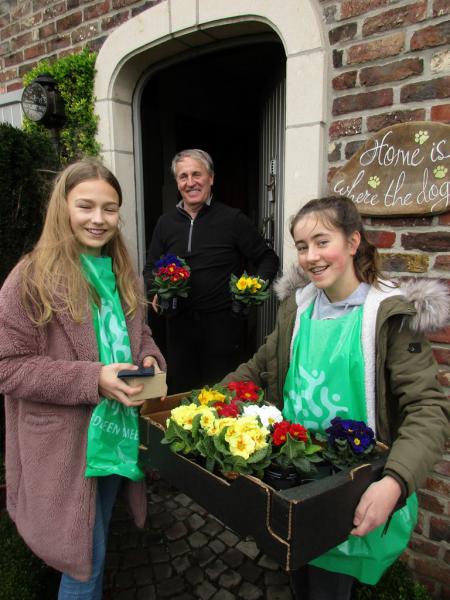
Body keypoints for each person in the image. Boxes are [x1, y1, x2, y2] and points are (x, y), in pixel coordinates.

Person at [221, 195, 449, 599]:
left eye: (322, 242)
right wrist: (207, 401)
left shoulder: (388, 318)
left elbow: (427, 409)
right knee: (300, 568)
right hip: (294, 475)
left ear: (353, 241)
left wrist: (394, 481)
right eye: (302, 246)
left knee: (330, 585)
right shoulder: (299, 308)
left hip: (352, 487)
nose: (311, 257)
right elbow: (259, 367)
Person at [0, 159, 166, 599]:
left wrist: (148, 360)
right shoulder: (30, 278)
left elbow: (140, 334)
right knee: (82, 562)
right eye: (86, 206)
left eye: (109, 209)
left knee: (94, 544)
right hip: (68, 447)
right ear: (63, 208)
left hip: (117, 432)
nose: (98, 219)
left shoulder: (123, 274)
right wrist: (92, 379)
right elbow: (8, 366)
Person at [144, 148, 279, 393]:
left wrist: (252, 289)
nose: (190, 182)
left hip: (222, 330)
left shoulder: (233, 219)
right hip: (178, 331)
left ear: (211, 178)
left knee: (220, 396)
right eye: (183, 176)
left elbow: (268, 258)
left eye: (197, 174)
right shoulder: (165, 223)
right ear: (177, 182)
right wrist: (155, 289)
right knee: (180, 396)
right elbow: (151, 267)